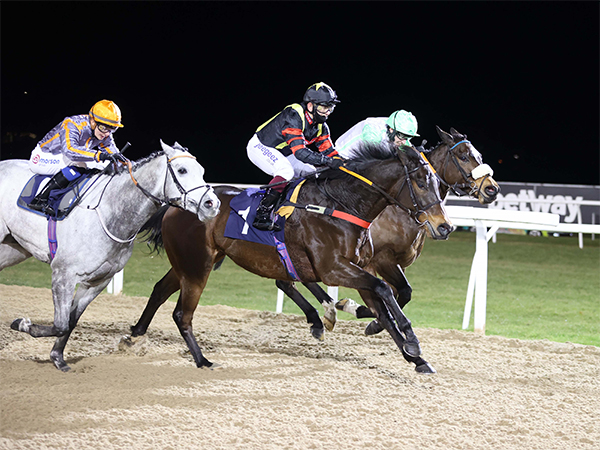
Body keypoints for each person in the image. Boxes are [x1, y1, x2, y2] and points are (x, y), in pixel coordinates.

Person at [247, 82, 345, 231]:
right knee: (286, 171)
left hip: (284, 152)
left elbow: (330, 152)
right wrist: (328, 161)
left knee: (312, 173)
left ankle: (291, 208)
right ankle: (262, 213)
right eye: (323, 107)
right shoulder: (293, 114)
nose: (327, 112)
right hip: (261, 146)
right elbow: (300, 153)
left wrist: (345, 164)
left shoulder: (321, 127)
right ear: (310, 106)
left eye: (330, 107)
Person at [28, 99, 125, 215]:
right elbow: (70, 150)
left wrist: (128, 165)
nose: (107, 134)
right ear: (93, 121)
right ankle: (40, 199)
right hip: (43, 157)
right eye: (104, 128)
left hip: (63, 157)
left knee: (102, 165)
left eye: (112, 129)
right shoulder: (72, 123)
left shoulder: (104, 132)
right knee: (80, 164)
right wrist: (98, 155)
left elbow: (113, 154)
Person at [335, 109, 420, 158]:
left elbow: (407, 147)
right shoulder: (372, 128)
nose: (404, 141)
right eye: (402, 136)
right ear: (391, 129)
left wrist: (417, 153)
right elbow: (378, 155)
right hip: (342, 157)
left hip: (359, 161)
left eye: (407, 137)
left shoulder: (398, 135)